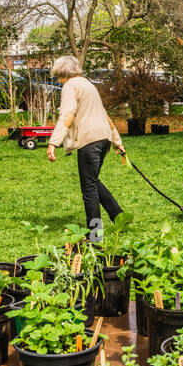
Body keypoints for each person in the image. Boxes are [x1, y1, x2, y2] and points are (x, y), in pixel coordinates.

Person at [46, 55, 128, 238]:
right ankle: (120, 217)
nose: (57, 80)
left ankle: (94, 233)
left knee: (88, 187)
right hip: (103, 138)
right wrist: (117, 142)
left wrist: (53, 142)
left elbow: (68, 115)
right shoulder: (88, 85)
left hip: (89, 140)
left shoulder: (70, 86)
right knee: (93, 180)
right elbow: (105, 116)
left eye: (57, 77)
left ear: (62, 73)